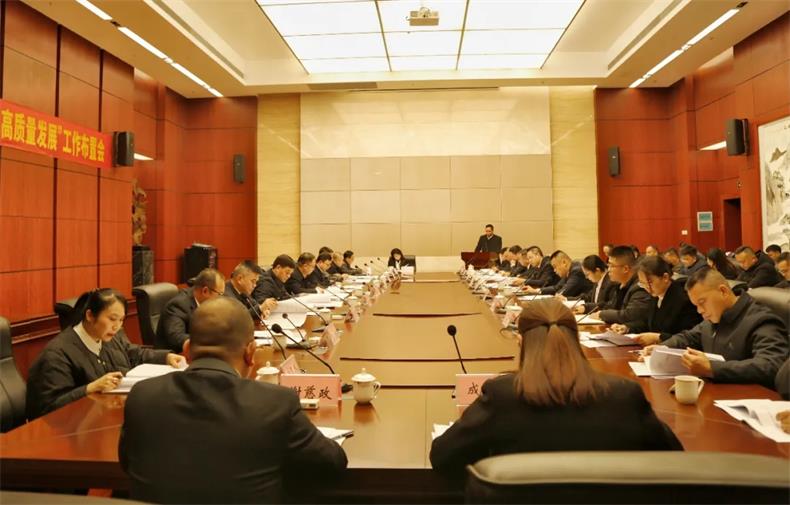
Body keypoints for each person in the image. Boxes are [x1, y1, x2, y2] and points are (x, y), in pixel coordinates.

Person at [119, 297, 348, 503]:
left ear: (187, 350)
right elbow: (332, 463)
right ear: (250, 352)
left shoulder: (142, 395)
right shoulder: (275, 402)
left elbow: (127, 462)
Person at [429, 298, 682, 474]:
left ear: (521, 342)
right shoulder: (623, 395)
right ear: (575, 339)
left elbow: (442, 457)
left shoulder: (502, 395)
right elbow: (674, 459)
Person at [26, 289, 184, 419]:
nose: (117, 326)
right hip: (70, 433)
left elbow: (133, 353)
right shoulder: (57, 354)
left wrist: (166, 357)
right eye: (112, 319)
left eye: (121, 320)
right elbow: (49, 407)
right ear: (89, 315)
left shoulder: (108, 336)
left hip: (110, 415)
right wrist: (89, 388)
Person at [643, 268, 788, 388]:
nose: (699, 311)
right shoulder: (715, 317)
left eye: (702, 302)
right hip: (715, 393)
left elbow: (771, 365)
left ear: (723, 291)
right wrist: (663, 348)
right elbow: (689, 337)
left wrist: (712, 368)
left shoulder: (762, 320)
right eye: (696, 306)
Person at [612, 256, 701, 346]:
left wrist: (659, 337)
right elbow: (647, 323)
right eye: (643, 283)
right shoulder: (656, 294)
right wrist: (627, 328)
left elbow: (689, 337)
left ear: (665, 277)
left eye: (650, 282)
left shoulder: (683, 299)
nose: (647, 288)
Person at [155, 268, 225, 353]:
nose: (221, 299)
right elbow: (176, 336)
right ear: (205, 291)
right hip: (175, 356)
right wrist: (208, 341)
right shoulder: (178, 305)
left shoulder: (206, 303)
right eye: (220, 294)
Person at [593, 245, 651, 328]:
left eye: (612, 266)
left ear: (625, 269)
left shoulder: (640, 286)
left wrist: (602, 314)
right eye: (608, 265)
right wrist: (586, 307)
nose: (608, 270)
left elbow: (630, 315)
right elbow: (610, 305)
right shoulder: (620, 284)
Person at [522, 250, 592, 298]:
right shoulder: (568, 271)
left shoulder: (576, 271)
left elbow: (564, 292)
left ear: (564, 262)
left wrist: (551, 297)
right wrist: (536, 291)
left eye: (555, 267)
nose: (554, 270)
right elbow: (556, 288)